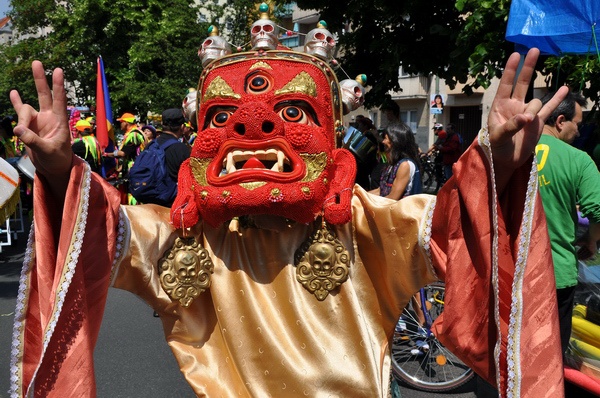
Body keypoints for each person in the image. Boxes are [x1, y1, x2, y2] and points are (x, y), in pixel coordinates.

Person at [9, 44, 568, 397]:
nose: (253, 129)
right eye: (224, 117)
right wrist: (61, 171)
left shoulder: (366, 223)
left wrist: (496, 163)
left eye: (292, 112)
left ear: (329, 134)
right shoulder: (182, 235)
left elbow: (457, 223)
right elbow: (102, 228)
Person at [536, 91, 600, 359]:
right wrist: (591, 241)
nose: (579, 130)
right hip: (556, 270)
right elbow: (597, 211)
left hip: (510, 269)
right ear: (561, 121)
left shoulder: (512, 149)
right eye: (578, 122)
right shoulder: (578, 159)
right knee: (550, 353)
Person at [370, 122, 422, 200]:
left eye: (385, 138)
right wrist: (359, 194)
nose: (383, 141)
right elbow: (381, 190)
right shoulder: (393, 163)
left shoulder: (405, 165)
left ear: (395, 141)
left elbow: (392, 198)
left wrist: (369, 202)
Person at [154, 109, 191, 204]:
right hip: (172, 203)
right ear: (182, 127)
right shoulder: (182, 149)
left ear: (162, 124)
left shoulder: (151, 145)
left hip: (150, 201)